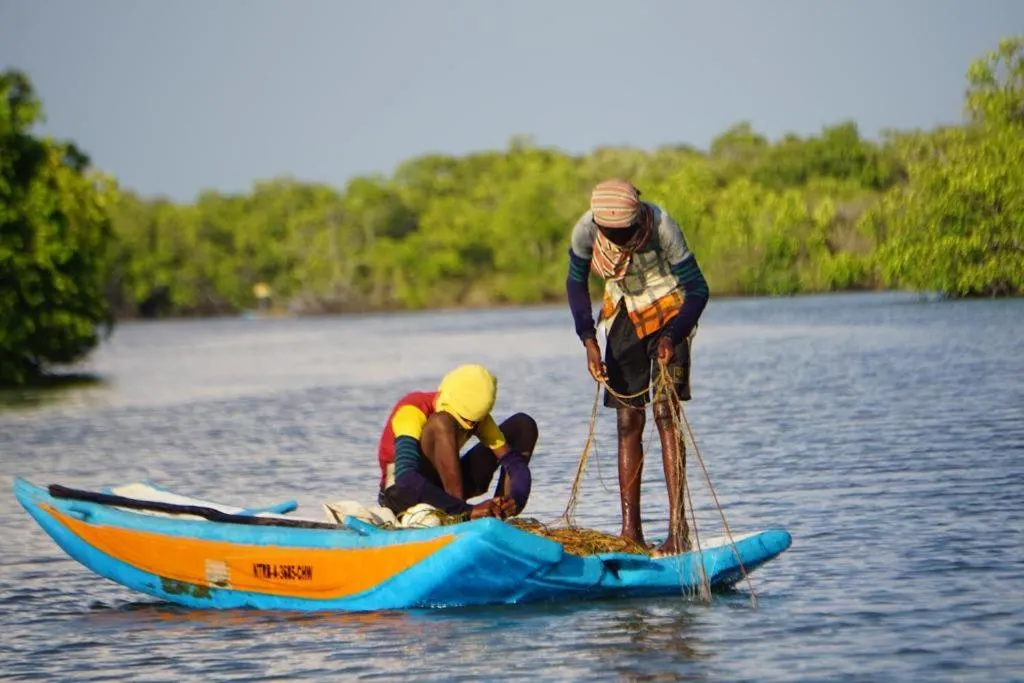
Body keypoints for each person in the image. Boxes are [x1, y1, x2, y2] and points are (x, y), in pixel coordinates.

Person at [565, 179, 710, 555]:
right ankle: (631, 533)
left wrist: (672, 336)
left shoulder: (661, 225)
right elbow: (576, 282)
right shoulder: (586, 229)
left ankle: (678, 531)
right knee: (628, 420)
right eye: (611, 233)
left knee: (665, 414)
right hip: (623, 312)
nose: (620, 238)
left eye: (626, 232)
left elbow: (698, 289)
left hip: (669, 308)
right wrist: (588, 339)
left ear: (638, 221)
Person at [376, 363, 539, 522]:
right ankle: (460, 518)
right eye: (465, 421)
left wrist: (515, 498)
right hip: (404, 493)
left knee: (523, 425)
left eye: (475, 422)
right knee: (441, 422)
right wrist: (466, 510)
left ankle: (497, 514)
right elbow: (406, 478)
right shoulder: (412, 410)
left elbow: (514, 464)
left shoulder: (477, 419)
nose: (470, 427)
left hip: (444, 491)